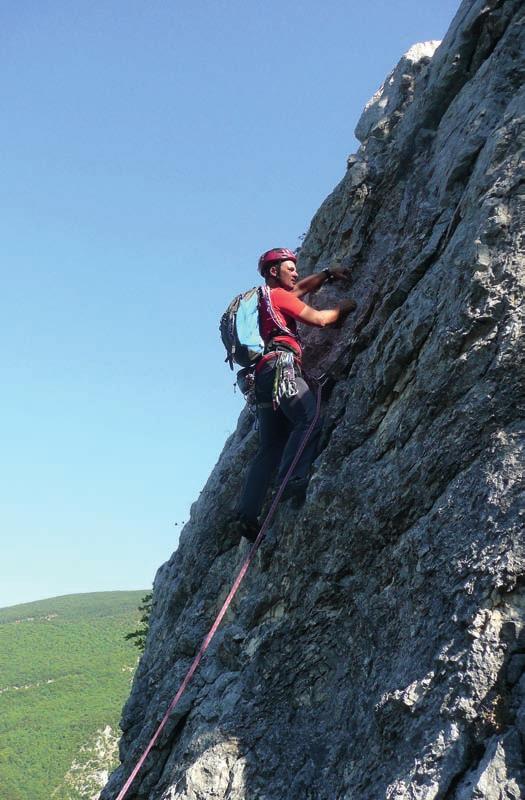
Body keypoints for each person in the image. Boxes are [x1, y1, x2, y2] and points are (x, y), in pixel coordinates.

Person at [233, 247, 356, 543]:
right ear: (274, 272)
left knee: (270, 446)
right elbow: (321, 319)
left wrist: (327, 275)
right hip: (281, 368)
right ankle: (292, 478)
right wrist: (346, 308)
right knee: (308, 416)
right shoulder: (277, 296)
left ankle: (247, 513)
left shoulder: (267, 299)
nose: (296, 273)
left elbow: (300, 288)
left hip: (260, 378)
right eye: (290, 268)